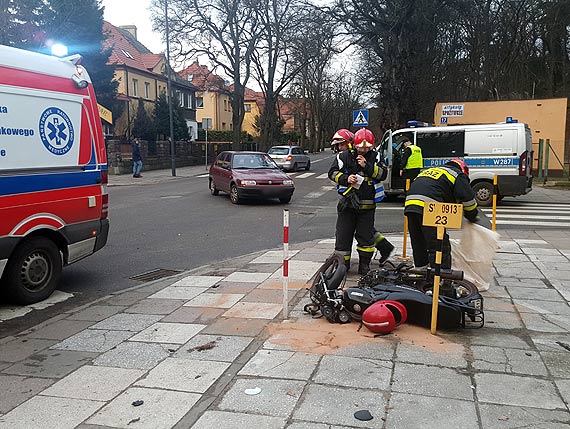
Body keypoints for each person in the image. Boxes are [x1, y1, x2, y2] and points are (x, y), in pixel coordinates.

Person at [329, 128, 393, 275]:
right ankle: (342, 266)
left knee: (366, 239)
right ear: (354, 145)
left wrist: (367, 166)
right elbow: (332, 173)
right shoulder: (343, 157)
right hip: (347, 204)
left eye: (367, 148)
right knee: (343, 237)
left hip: (368, 206)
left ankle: (364, 265)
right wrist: (346, 179)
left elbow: (383, 174)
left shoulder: (376, 157)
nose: (363, 150)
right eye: (360, 147)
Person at [404, 158, 478, 272]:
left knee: (419, 242)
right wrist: (472, 216)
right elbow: (468, 199)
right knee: (438, 243)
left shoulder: (432, 171)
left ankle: (420, 274)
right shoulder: (457, 174)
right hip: (430, 207)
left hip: (410, 205)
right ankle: (441, 278)